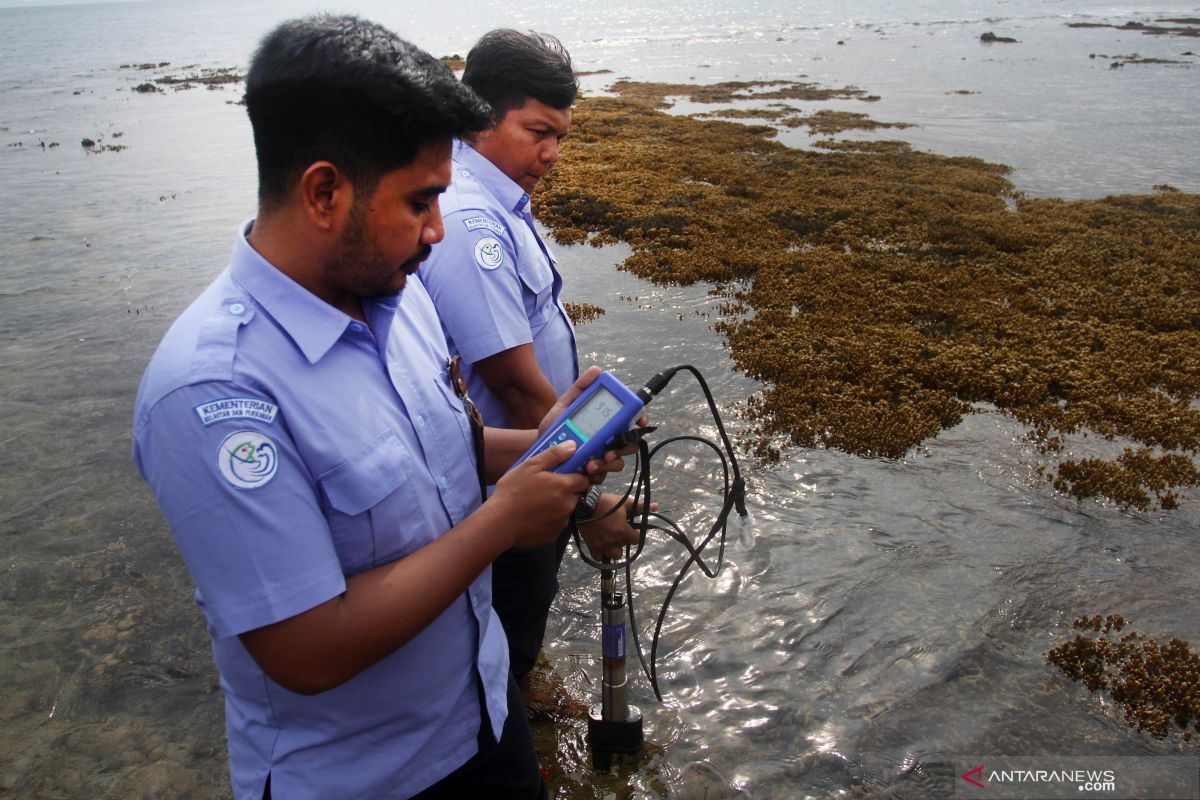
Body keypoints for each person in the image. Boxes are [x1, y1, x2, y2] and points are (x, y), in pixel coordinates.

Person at [132, 15, 635, 799]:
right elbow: (307, 650)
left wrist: (546, 446)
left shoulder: (397, 302)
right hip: (369, 778)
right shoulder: (215, 392)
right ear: (324, 192)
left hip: (482, 714)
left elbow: (447, 451)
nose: (440, 228)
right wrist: (504, 521)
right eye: (422, 200)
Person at [421, 29, 640, 694]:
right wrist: (589, 498)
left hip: (521, 466)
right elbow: (514, 384)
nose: (550, 154)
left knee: (511, 635)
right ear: (480, 116)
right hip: (503, 487)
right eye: (536, 131)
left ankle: (520, 692)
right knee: (504, 639)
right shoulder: (469, 222)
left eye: (561, 137)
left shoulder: (493, 201)